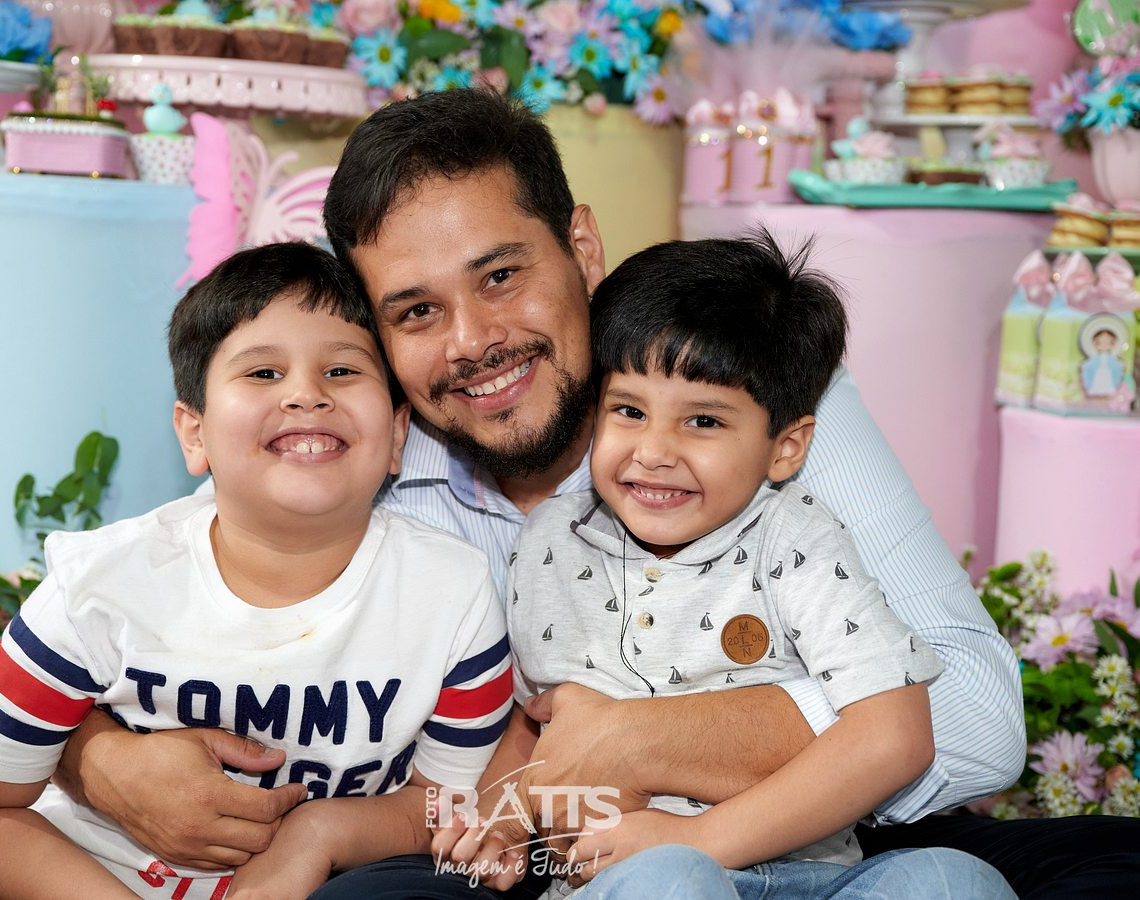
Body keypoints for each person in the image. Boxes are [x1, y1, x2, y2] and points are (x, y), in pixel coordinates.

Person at [0, 88, 1134, 898]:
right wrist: (88, 756)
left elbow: (975, 718)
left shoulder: (722, 389)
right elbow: (174, 623)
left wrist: (644, 741)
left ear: (583, 250)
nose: (472, 342)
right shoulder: (355, 470)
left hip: (830, 845)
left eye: (501, 276)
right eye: (414, 311)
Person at [0, 242, 513, 899]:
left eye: (342, 370)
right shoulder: (98, 588)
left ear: (398, 434)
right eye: (263, 373)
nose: (306, 394)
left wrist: (318, 833)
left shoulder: (451, 595)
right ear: (194, 434)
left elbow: (446, 805)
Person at [433, 234, 1013, 899]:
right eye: (629, 411)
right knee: (672, 881)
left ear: (786, 448)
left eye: (703, 421)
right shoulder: (549, 541)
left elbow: (896, 738)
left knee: (953, 879)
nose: (653, 451)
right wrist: (502, 827)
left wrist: (702, 839)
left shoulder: (795, 539)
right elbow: (533, 722)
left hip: (808, 877)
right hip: (625, 881)